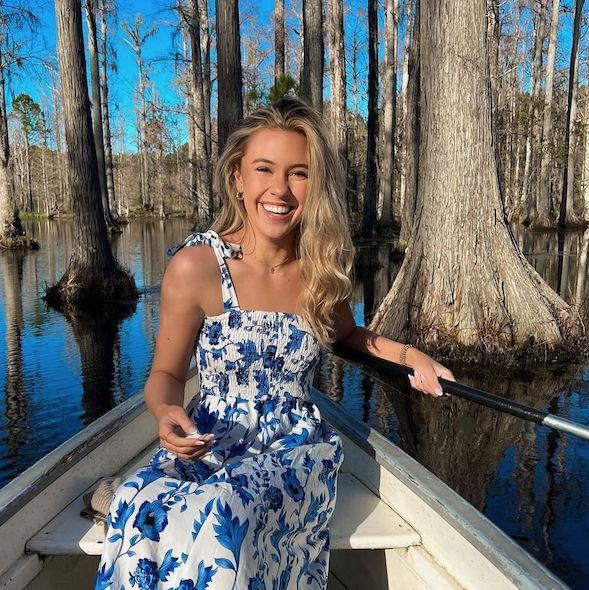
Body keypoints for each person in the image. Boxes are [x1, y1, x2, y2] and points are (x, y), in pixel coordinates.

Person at [95, 97, 455, 590]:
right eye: (264, 169)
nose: (280, 189)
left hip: (295, 448)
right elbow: (167, 374)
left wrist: (411, 357)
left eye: (299, 174)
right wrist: (165, 413)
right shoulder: (196, 266)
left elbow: (348, 336)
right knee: (137, 503)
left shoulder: (320, 269)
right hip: (209, 439)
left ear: (315, 185)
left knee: (222, 509)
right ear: (238, 178)